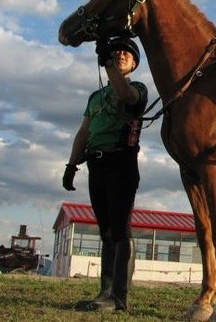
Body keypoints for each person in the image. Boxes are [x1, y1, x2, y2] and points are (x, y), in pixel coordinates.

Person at [62, 37, 148, 312]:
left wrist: (110, 63)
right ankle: (105, 292)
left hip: (121, 162)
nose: (121, 55)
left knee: (121, 229)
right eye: (116, 52)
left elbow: (126, 96)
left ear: (134, 64)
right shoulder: (95, 98)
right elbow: (84, 132)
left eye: (127, 54)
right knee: (107, 231)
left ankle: (119, 297)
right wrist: (71, 164)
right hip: (96, 165)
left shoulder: (137, 88)